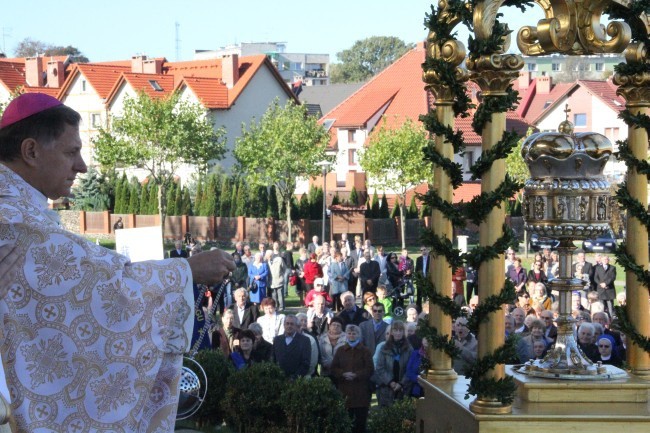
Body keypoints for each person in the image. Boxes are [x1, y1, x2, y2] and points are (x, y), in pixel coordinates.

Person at [0, 93, 236, 432]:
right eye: (71, 152)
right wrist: (187, 271)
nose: (81, 166)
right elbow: (103, 282)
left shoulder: (17, 211)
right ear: (31, 151)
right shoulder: (15, 223)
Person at [331, 324, 374, 433]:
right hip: (344, 391)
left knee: (360, 423)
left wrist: (356, 375)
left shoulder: (365, 351)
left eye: (354, 333)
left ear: (358, 335)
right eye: (349, 333)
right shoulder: (340, 350)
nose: (351, 335)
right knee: (346, 422)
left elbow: (370, 369)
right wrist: (343, 374)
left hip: (361, 392)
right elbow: (334, 368)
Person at [373, 320, 413, 406]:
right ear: (391, 332)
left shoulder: (409, 348)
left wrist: (401, 383)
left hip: (403, 388)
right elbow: (380, 367)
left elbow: (411, 368)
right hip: (386, 387)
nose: (398, 333)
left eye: (400, 330)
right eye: (395, 330)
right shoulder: (384, 348)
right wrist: (390, 382)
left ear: (403, 332)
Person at [272, 315, 312, 379]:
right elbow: (273, 359)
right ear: (284, 325)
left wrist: (294, 378)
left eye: (292, 324)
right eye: (287, 323)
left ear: (296, 326)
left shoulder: (305, 341)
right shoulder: (277, 340)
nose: (289, 326)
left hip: (296, 381)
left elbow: (306, 363)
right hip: (278, 379)